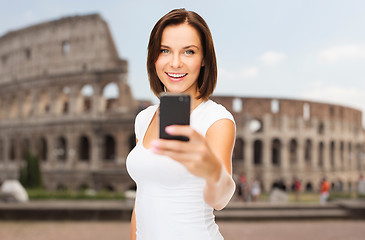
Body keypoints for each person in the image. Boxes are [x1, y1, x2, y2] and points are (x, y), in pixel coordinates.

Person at [126, 9, 236, 240]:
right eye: (165, 50)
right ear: (153, 56)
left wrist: (213, 169)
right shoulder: (143, 119)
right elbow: (142, 199)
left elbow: (220, 200)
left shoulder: (216, 120)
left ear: (204, 58)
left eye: (189, 51)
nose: (175, 63)